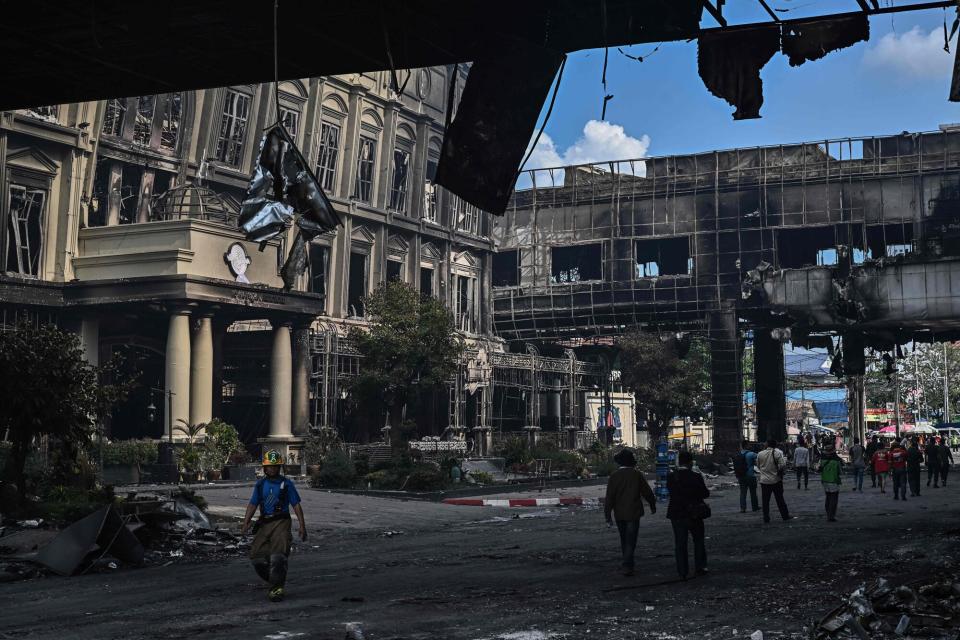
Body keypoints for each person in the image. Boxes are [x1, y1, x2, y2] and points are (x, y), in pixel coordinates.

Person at [241, 450, 308, 602]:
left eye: (275, 467)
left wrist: (302, 526)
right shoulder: (260, 485)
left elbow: (296, 505)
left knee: (278, 556)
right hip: (265, 522)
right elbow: (253, 504)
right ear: (265, 468)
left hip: (281, 522)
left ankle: (277, 588)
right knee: (257, 557)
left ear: (279, 468)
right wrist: (245, 523)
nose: (272, 469)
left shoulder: (286, 484)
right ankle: (273, 580)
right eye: (269, 467)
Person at [604, 448, 657, 577]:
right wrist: (652, 504)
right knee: (631, 540)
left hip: (619, 513)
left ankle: (627, 563)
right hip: (633, 512)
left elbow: (609, 497)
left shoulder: (614, 476)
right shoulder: (636, 474)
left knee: (624, 539)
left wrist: (608, 516)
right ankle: (628, 564)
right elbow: (647, 492)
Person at [666, 450, 710, 580]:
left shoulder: (672, 477)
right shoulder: (696, 476)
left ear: (679, 461)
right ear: (691, 463)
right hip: (694, 512)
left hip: (677, 513)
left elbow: (671, 492)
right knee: (698, 540)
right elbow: (705, 494)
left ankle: (682, 571)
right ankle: (700, 566)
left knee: (680, 543)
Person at [757, 439, 793, 523]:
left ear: (767, 444)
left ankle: (766, 517)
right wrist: (778, 471)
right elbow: (782, 465)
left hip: (764, 480)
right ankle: (785, 516)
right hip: (776, 480)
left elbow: (758, 466)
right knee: (780, 499)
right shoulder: (777, 453)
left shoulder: (760, 454)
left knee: (765, 501)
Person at [734, 440, 759, 513]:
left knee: (743, 493)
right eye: (749, 445)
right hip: (750, 475)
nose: (750, 446)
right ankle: (755, 507)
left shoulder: (738, 454)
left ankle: (743, 508)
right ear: (747, 445)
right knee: (753, 492)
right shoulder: (751, 454)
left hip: (741, 476)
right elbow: (759, 458)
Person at [820, 443, 842, 522]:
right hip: (833, 480)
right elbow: (840, 472)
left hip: (825, 480)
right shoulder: (836, 461)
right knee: (834, 498)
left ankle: (828, 513)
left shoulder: (822, 460)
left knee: (828, 497)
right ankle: (831, 515)